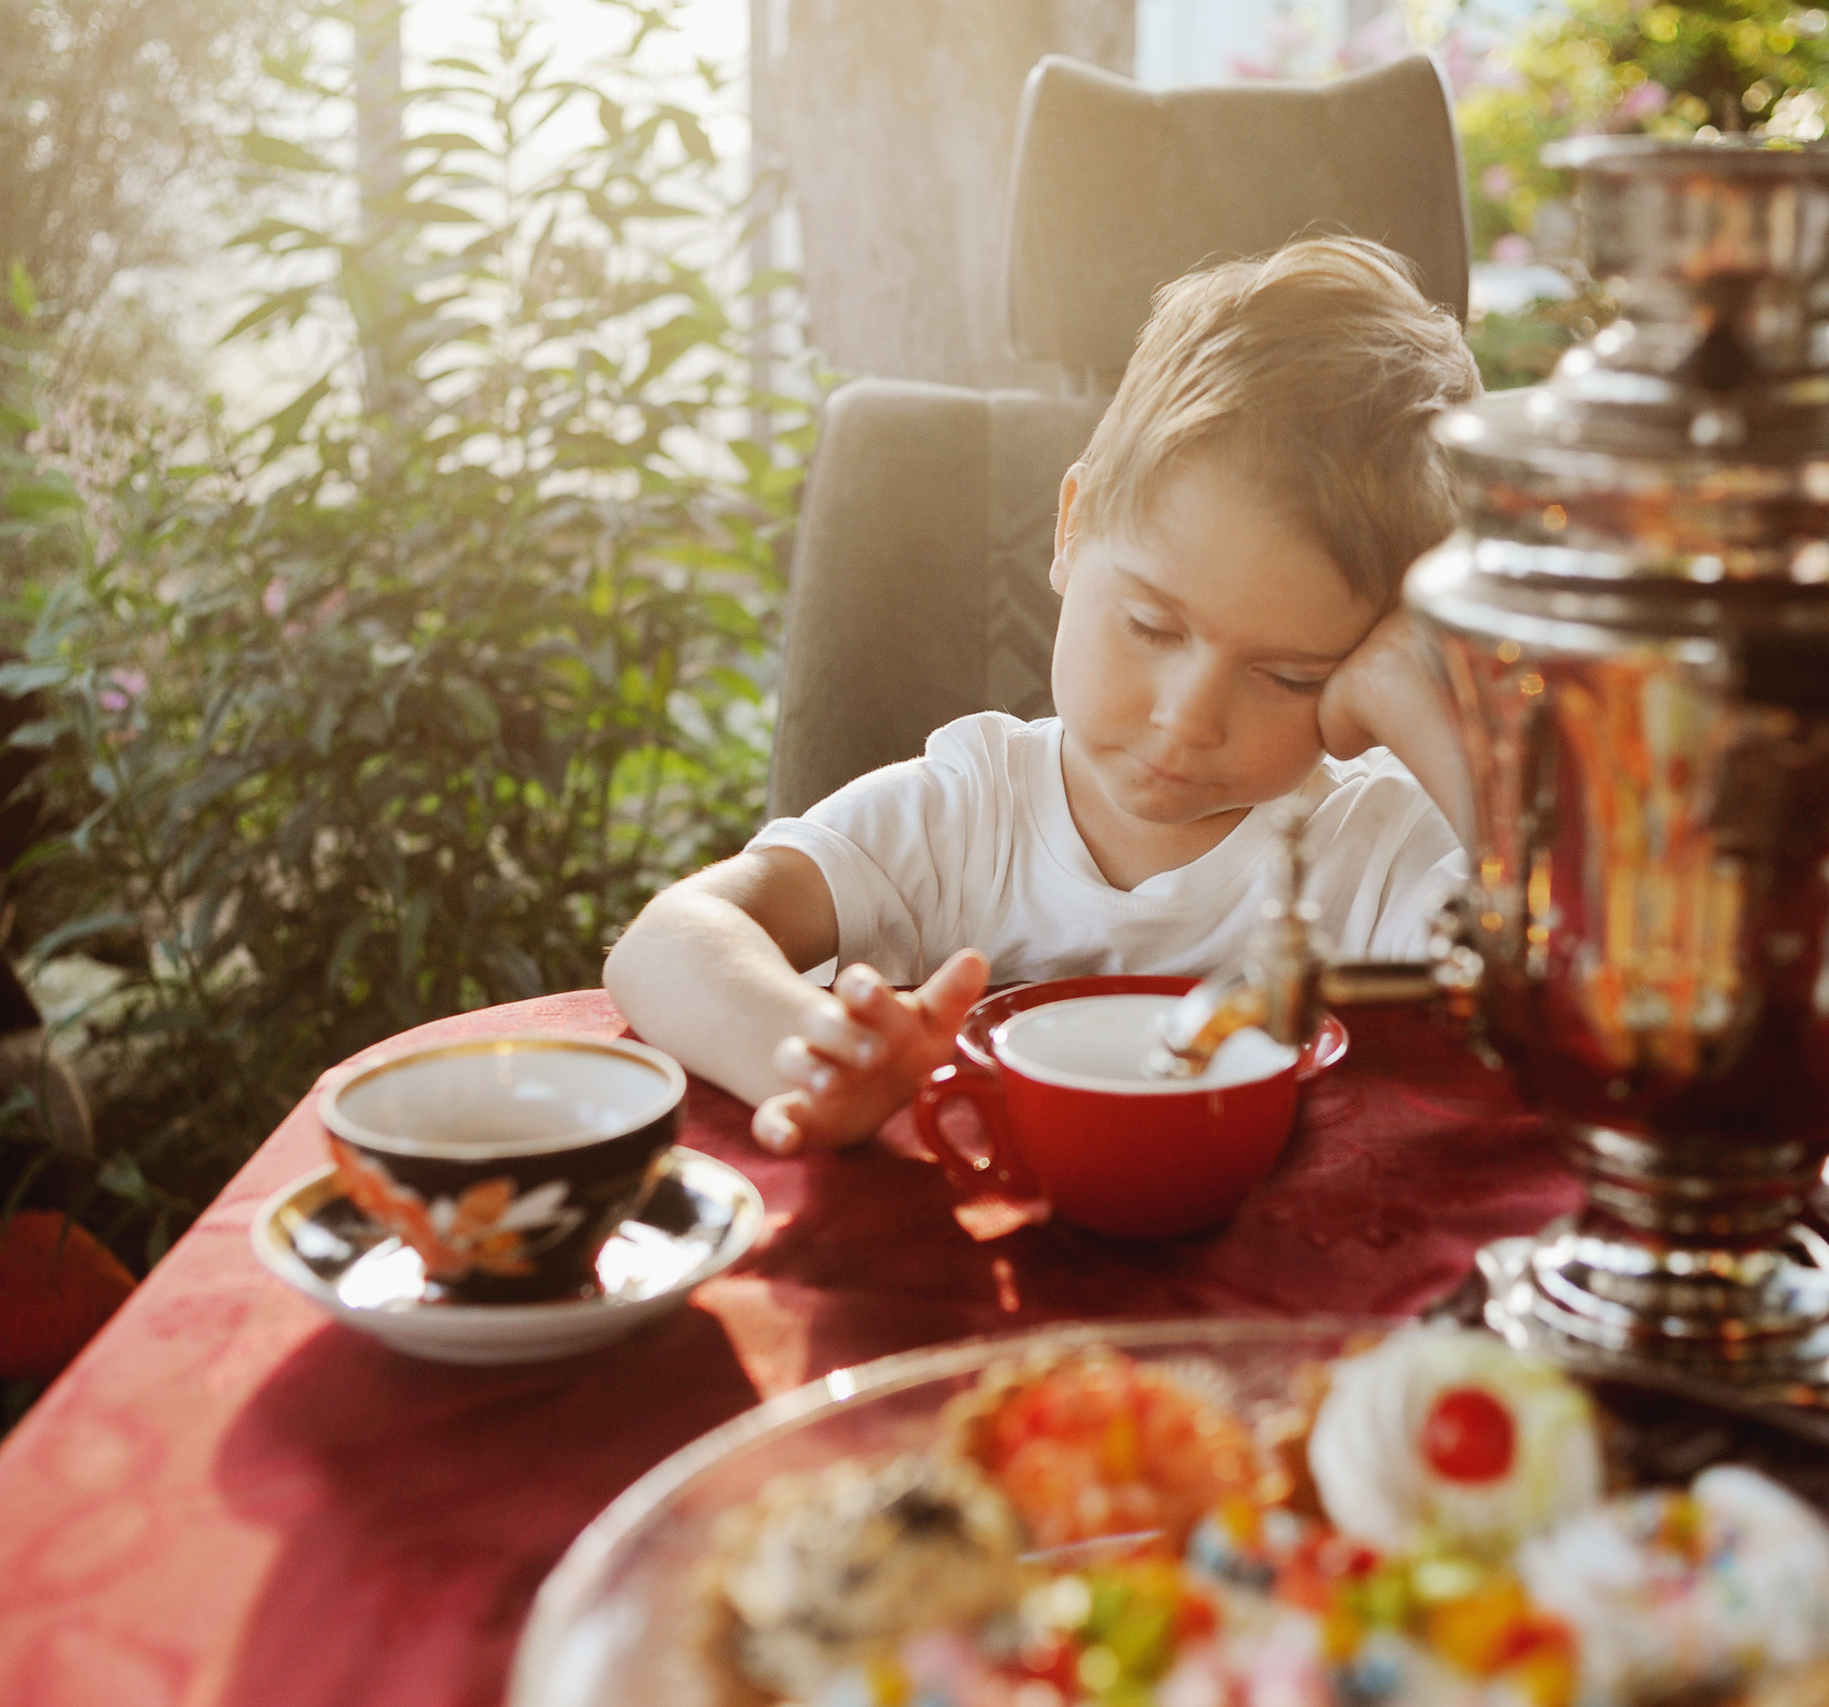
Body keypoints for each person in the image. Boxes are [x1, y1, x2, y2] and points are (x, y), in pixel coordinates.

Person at [606, 236, 1480, 1155]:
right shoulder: (967, 812)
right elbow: (665, 941)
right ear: (1071, 527)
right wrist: (812, 1053)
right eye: (1151, 626)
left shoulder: (1384, 850)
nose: (1187, 717)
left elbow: (1600, 996)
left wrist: (1433, 704)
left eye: (1289, 675)